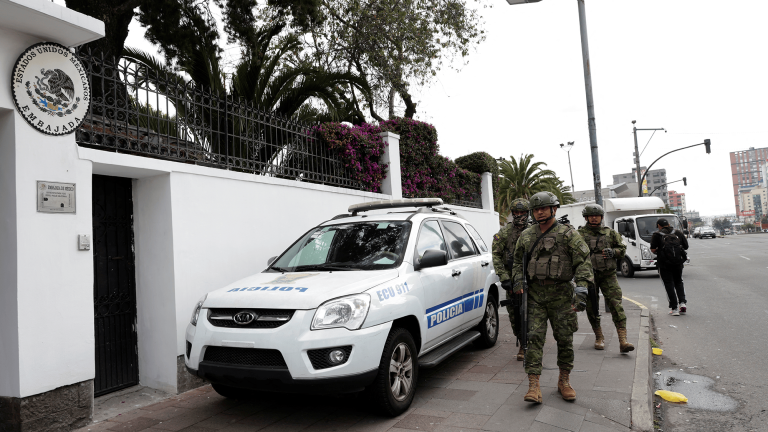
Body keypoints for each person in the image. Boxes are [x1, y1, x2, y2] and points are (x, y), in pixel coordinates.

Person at [511, 192, 594, 403]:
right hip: (535, 295)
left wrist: (582, 289)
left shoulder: (568, 235)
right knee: (533, 338)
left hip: (562, 295)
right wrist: (518, 281)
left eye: (543, 208)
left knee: (565, 339)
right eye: (536, 209)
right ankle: (533, 385)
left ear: (554, 209)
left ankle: (564, 381)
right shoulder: (527, 236)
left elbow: (583, 262)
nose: (539, 212)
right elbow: (517, 263)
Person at [577, 204, 634, 353]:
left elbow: (622, 249)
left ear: (602, 217)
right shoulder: (579, 234)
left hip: (608, 275)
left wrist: (613, 252)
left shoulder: (610, 233)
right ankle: (599, 337)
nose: (594, 218)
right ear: (586, 217)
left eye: (597, 215)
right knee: (592, 308)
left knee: (616, 305)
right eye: (591, 215)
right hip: (589, 277)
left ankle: (623, 340)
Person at [492, 198, 531, 361]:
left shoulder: (535, 231)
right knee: (515, 315)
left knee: (533, 315)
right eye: (516, 213)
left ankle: (532, 345)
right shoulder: (504, 233)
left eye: (522, 213)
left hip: (533, 280)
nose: (519, 216)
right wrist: (504, 277)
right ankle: (522, 342)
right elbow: (496, 255)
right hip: (513, 282)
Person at [650, 218, 689, 316]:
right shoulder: (678, 232)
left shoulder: (657, 235)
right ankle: (682, 303)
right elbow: (686, 246)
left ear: (659, 225)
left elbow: (653, 250)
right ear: (669, 224)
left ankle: (674, 308)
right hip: (678, 262)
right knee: (679, 282)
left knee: (669, 284)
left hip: (664, 263)